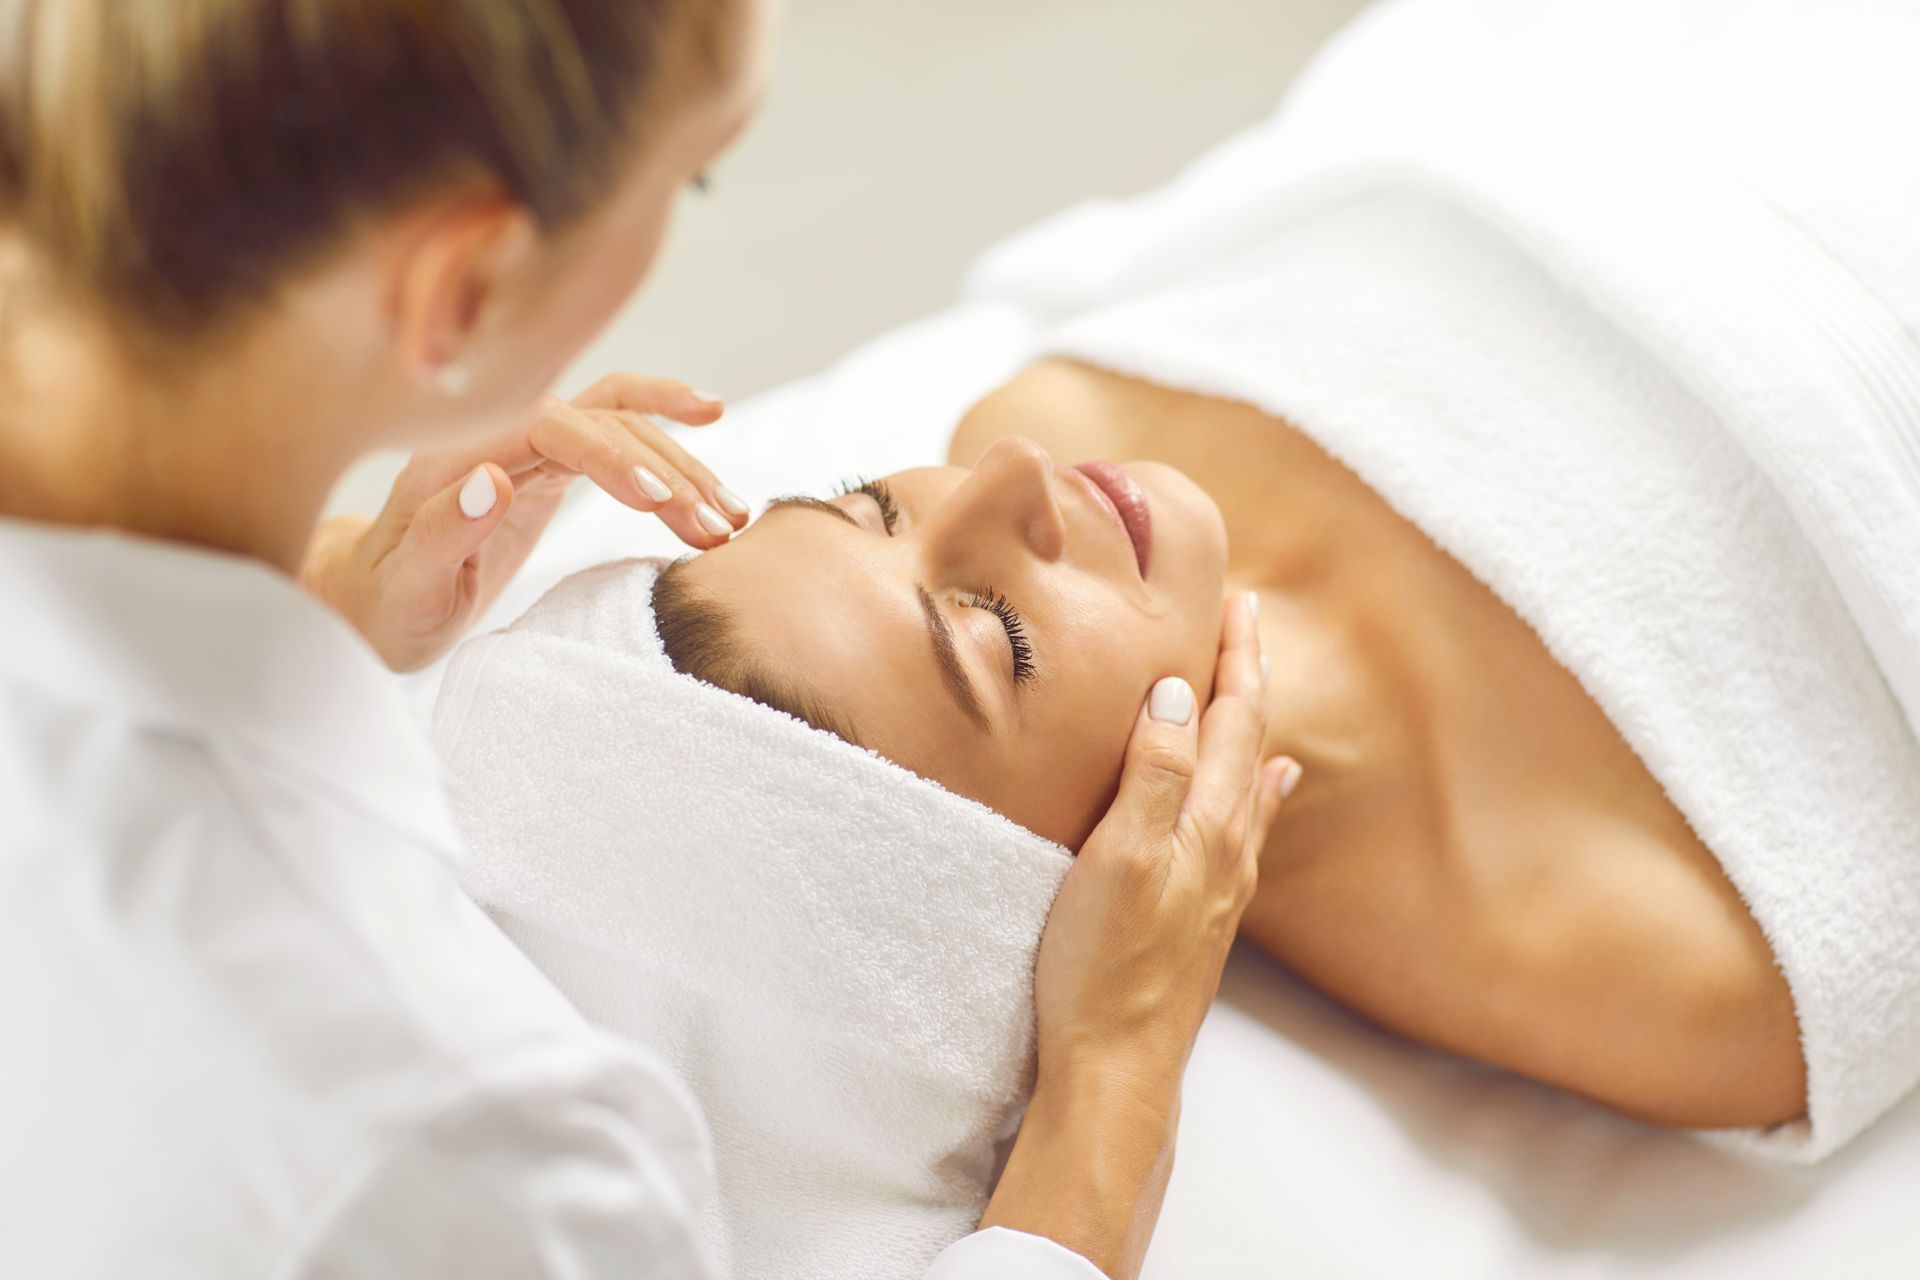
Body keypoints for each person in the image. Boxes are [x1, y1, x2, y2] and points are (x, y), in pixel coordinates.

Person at [0, 4, 1285, 1278]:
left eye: (855, 502)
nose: (1004, 466)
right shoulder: (463, 1144)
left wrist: (329, 589)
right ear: (468, 293)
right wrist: (1113, 1080)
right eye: (696, 172)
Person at [647, 358, 1810, 1133]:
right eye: (996, 635)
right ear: (1069, 874)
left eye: (870, 504)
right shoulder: (1634, 951)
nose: (1006, 477)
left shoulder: (1065, 407)